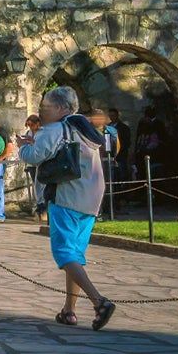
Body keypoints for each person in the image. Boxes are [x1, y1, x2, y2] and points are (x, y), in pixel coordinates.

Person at [18, 85, 115, 330]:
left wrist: (24, 145)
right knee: (75, 255)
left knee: (64, 253)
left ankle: (98, 301)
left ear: (61, 108)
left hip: (66, 196)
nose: (42, 111)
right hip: (90, 199)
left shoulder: (56, 129)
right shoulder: (85, 129)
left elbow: (33, 156)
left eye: (46, 106)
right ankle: (69, 310)